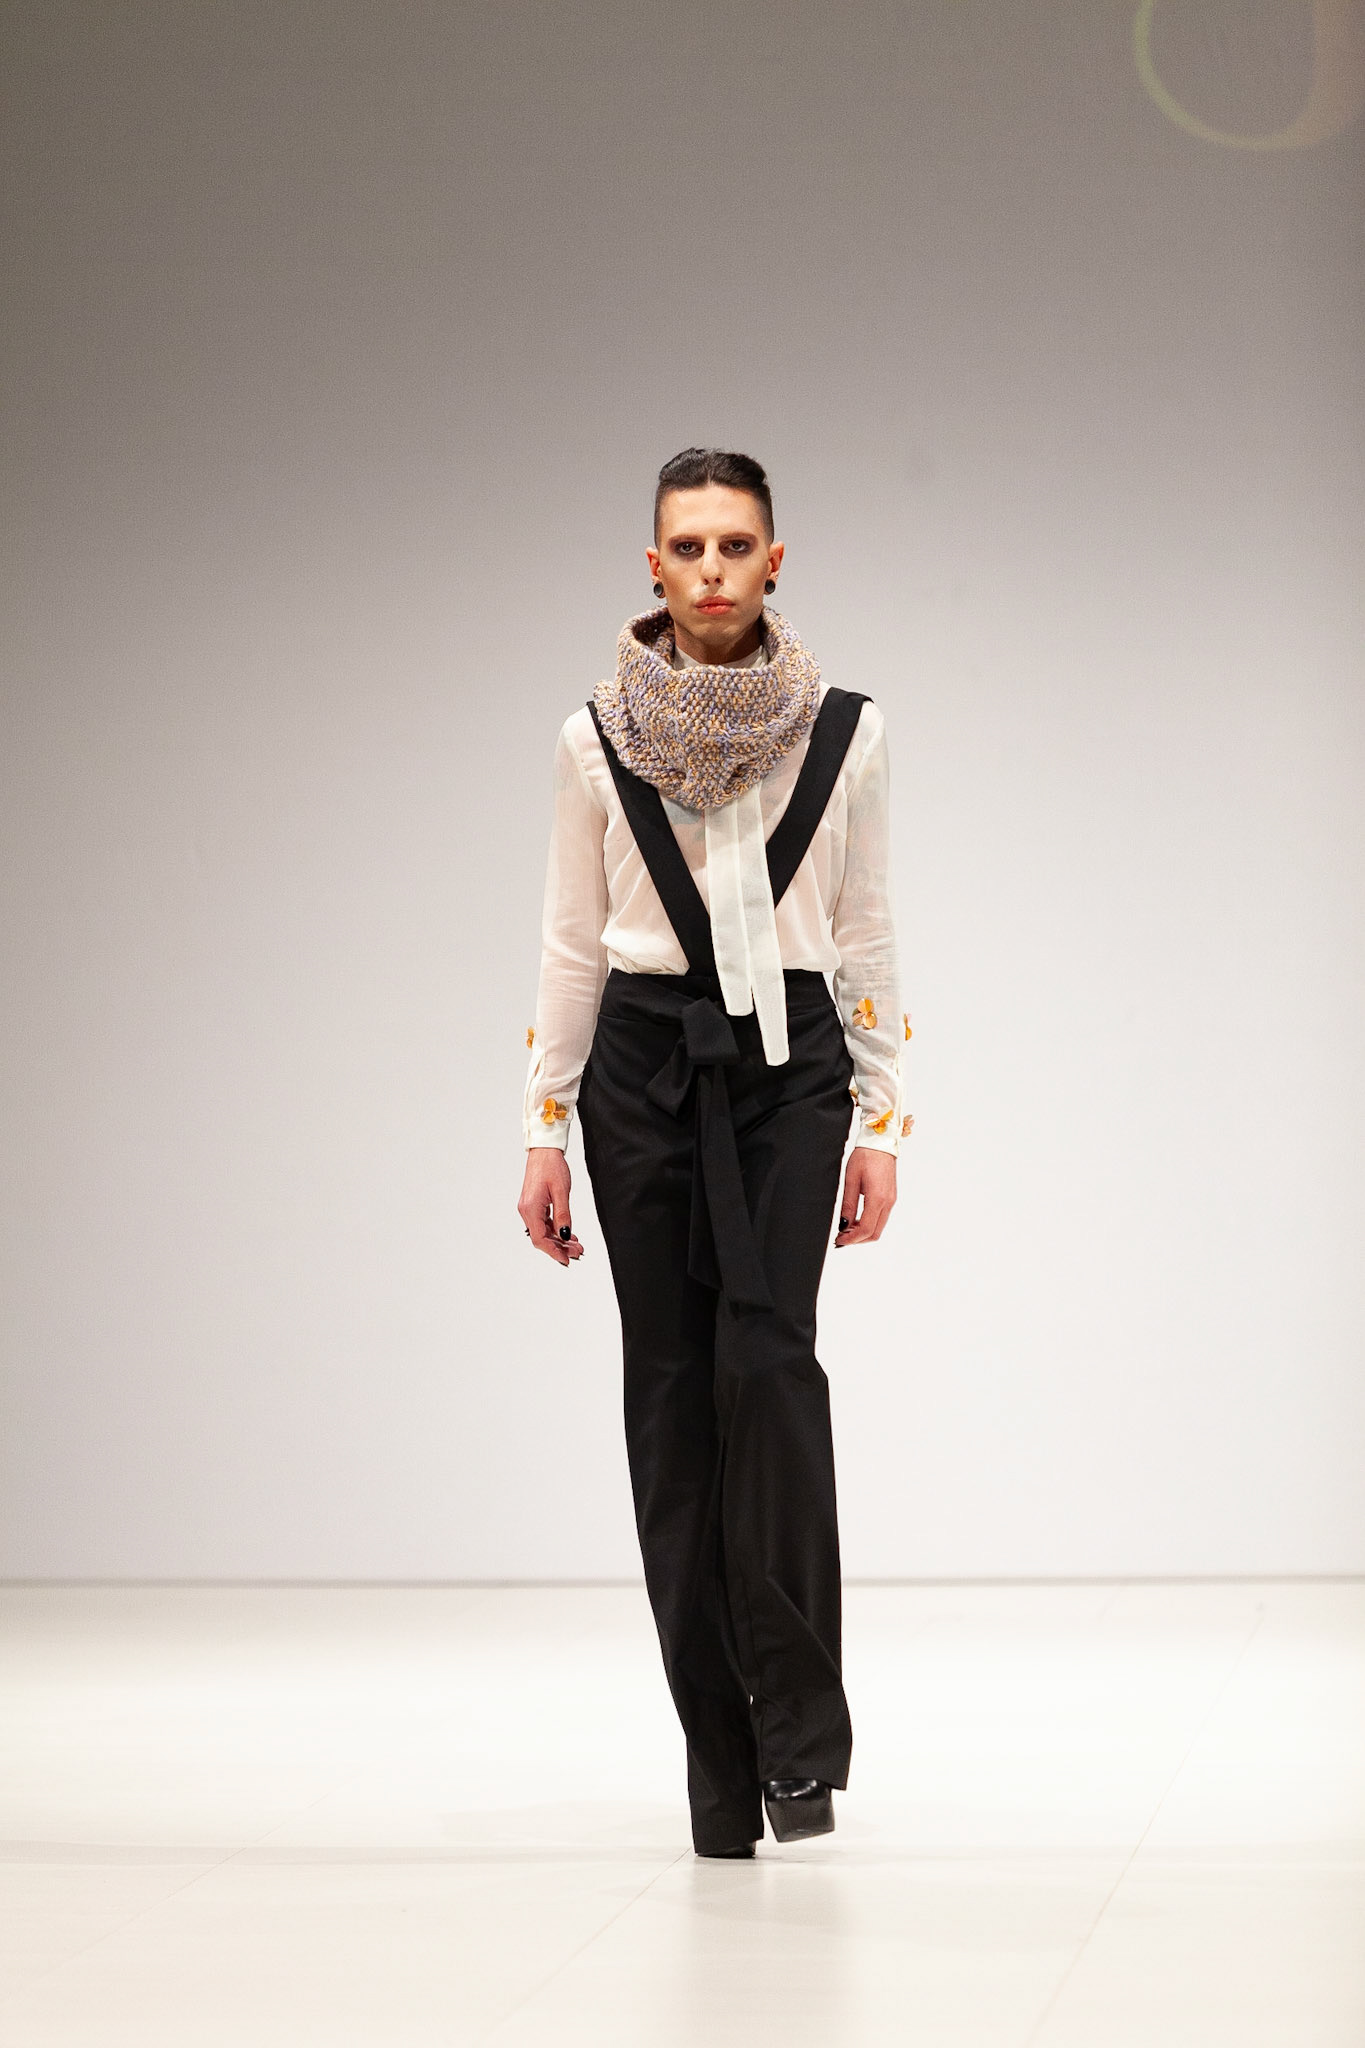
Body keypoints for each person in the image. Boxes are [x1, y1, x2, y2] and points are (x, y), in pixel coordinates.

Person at [517, 447, 908, 1859]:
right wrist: (542, 1126)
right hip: (640, 1072)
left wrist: (884, 1118)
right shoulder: (593, 739)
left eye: (735, 545)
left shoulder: (845, 733)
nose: (711, 570)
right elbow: (572, 943)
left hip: (790, 1071)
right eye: (687, 547)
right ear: (654, 566)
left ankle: (798, 1742)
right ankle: (717, 1763)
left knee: (770, 1368)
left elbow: (865, 930)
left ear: (774, 561)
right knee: (672, 1397)